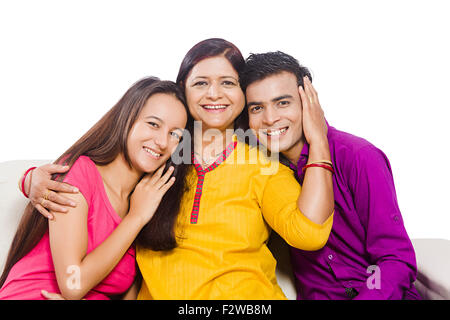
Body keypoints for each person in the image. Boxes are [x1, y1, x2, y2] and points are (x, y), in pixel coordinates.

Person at [21, 38, 335, 299]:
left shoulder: (262, 165)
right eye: (201, 83)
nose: (214, 94)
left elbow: (308, 234)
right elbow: (99, 167)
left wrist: (318, 141)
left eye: (228, 83)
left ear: (244, 93)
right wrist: (31, 180)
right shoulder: (158, 155)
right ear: (183, 88)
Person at [239, 51, 421, 300]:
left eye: (283, 103)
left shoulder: (358, 157)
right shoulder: (261, 172)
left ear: (309, 101)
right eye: (257, 108)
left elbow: (395, 259)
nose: (270, 119)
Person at [0, 77, 190, 299]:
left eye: (175, 134)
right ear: (127, 119)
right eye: (153, 124)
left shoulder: (146, 199)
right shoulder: (82, 172)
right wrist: (136, 218)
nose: (162, 142)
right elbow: (73, 285)